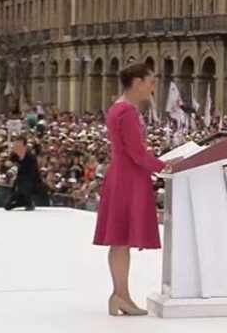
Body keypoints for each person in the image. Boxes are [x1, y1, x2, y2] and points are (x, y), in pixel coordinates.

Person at [92, 63, 174, 317]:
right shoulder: (127, 111)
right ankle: (121, 295)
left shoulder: (118, 108)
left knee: (119, 240)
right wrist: (163, 165)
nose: (152, 88)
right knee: (121, 240)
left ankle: (120, 294)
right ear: (138, 83)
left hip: (121, 176)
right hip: (128, 179)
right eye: (150, 82)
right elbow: (137, 153)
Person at [3, 136, 44, 211]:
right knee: (7, 205)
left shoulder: (30, 157)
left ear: (24, 146)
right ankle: (22, 203)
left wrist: (16, 167)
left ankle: (30, 202)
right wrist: (9, 164)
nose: (16, 148)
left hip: (32, 181)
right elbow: (8, 163)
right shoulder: (14, 155)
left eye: (19, 145)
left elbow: (33, 174)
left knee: (25, 188)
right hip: (20, 181)